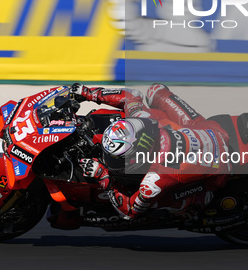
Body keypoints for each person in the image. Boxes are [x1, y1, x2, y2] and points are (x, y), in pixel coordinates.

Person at [71, 83, 232, 221]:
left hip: (219, 171)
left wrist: (103, 176)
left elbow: (129, 212)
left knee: (159, 202)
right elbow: (131, 95)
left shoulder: (154, 180)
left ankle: (199, 199)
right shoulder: (144, 119)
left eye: (119, 158)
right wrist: (88, 94)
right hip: (208, 130)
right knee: (156, 90)